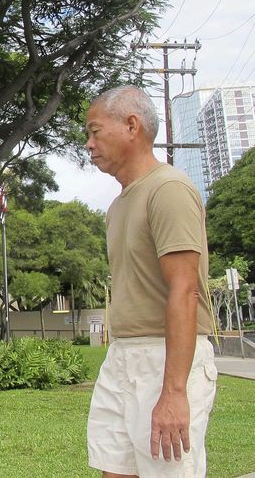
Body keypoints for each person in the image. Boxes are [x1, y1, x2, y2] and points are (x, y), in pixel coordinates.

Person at [85, 86, 217, 478]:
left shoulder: (169, 190)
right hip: (122, 354)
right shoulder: (119, 205)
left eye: (94, 131)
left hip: (166, 355)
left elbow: (184, 289)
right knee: (114, 469)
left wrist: (174, 392)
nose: (89, 144)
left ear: (131, 125)